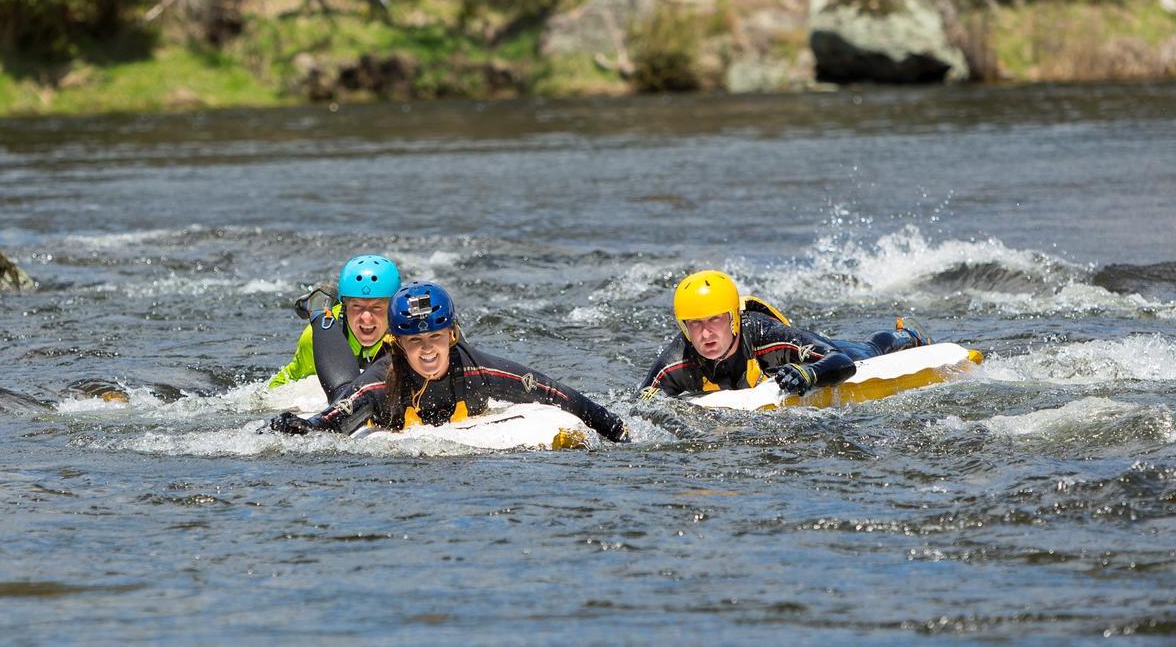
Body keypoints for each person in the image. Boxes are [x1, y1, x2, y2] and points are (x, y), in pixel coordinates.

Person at [270, 281, 629, 442]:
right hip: (367, 404)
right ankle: (323, 313)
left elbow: (558, 393)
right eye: (414, 342)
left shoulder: (479, 369)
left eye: (435, 338)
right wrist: (293, 427)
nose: (427, 351)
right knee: (341, 393)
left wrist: (618, 432)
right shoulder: (378, 384)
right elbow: (322, 426)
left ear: (452, 335)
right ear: (397, 344)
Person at [639, 270, 928, 399]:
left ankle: (905, 334)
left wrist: (809, 375)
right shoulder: (676, 361)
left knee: (866, 351)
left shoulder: (767, 336)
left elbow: (842, 362)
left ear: (733, 319)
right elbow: (641, 403)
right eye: (695, 324)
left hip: (817, 357)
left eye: (715, 319)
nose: (706, 333)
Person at [265, 254, 401, 398]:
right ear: (344, 305)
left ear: (393, 307)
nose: (366, 318)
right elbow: (282, 385)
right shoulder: (318, 336)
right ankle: (317, 304)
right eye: (356, 306)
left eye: (377, 307)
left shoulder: (408, 333)